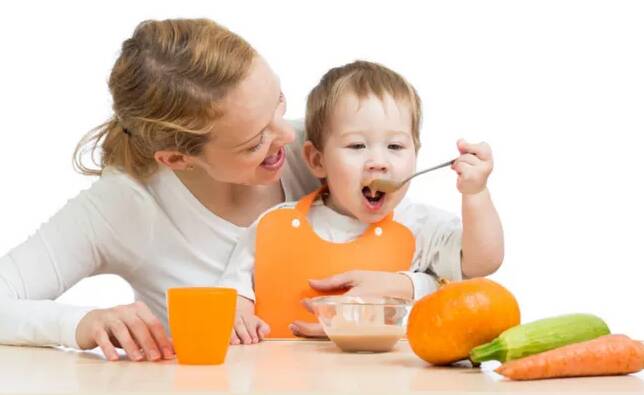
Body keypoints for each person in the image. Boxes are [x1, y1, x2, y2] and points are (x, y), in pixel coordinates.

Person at [0, 18, 321, 362]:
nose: (287, 136)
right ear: (178, 159)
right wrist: (82, 323)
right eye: (255, 142)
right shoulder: (128, 204)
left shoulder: (323, 153)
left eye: (279, 103)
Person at [219, 60, 504, 344]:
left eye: (395, 147)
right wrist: (238, 310)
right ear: (317, 160)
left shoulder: (420, 225)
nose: (378, 162)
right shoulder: (272, 226)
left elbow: (482, 263)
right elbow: (233, 294)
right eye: (357, 146)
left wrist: (475, 193)